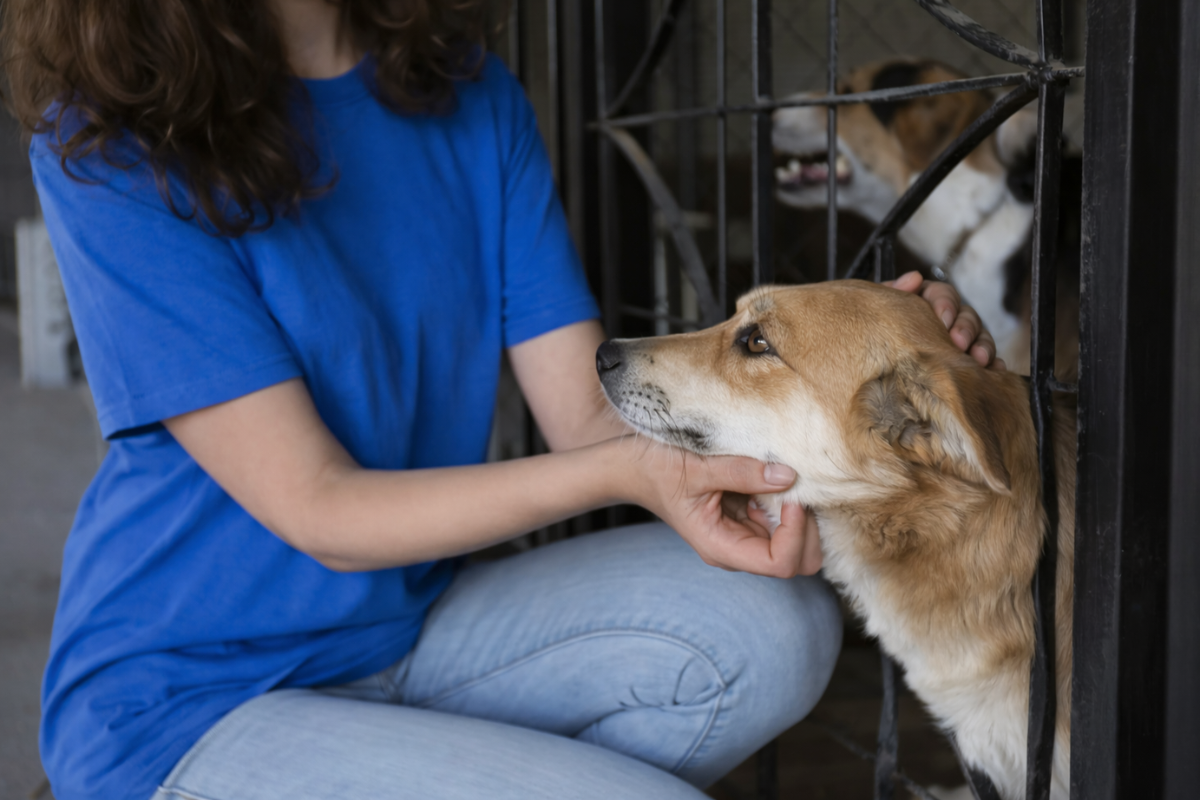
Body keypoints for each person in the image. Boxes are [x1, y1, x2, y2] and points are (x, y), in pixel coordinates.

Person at [2, 1, 1001, 799]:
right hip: (186, 694)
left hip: (413, 625)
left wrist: (882, 349)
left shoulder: (467, 96)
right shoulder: (110, 141)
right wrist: (627, 471)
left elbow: (593, 417)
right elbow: (321, 507)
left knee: (775, 626)